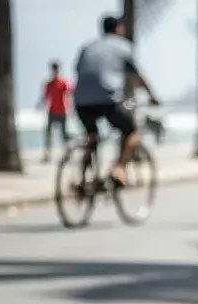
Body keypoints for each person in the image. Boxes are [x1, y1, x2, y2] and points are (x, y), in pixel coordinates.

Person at [72, 14, 160, 187]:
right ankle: (119, 168)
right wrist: (152, 96)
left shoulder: (87, 47)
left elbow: (78, 69)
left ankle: (82, 180)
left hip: (80, 101)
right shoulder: (124, 47)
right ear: (119, 29)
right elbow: (138, 76)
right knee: (132, 131)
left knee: (92, 136)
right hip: (108, 100)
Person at [39, 60, 73, 163]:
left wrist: (71, 109)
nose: (55, 71)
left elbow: (70, 94)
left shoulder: (64, 82)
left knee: (64, 134)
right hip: (52, 111)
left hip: (62, 111)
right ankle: (47, 154)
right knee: (48, 134)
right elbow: (45, 97)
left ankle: (67, 153)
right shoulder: (49, 83)